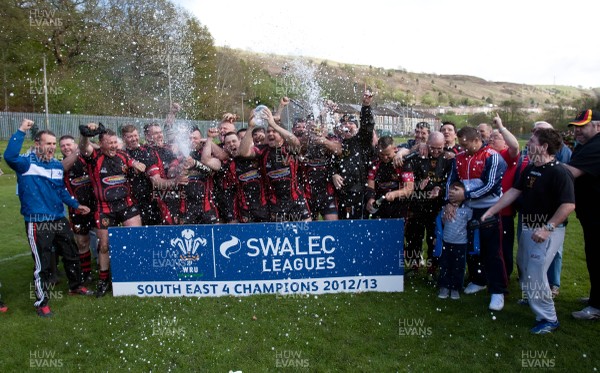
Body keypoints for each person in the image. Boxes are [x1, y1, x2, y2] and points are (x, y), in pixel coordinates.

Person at [482, 128, 575, 334]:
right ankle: (533, 298)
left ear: (543, 147)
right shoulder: (531, 168)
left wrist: (547, 228)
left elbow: (568, 205)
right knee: (524, 265)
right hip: (529, 226)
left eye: (532, 141)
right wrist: (492, 210)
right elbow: (515, 191)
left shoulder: (559, 172)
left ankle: (548, 318)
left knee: (535, 272)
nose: (527, 144)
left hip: (547, 230)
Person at [4, 119, 94, 317]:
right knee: (42, 263)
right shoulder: (26, 163)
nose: (52, 147)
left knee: (71, 253)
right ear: (38, 144)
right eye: (48, 143)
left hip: (58, 218)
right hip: (37, 220)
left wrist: (76, 205)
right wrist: (20, 131)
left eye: (54, 144)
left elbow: (60, 191)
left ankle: (75, 286)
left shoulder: (56, 165)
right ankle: (41, 302)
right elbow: (9, 156)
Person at [445, 126, 508, 311]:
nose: (464, 148)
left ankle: (498, 290)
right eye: (461, 145)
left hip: (489, 208)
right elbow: (452, 180)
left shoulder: (492, 156)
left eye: (466, 145)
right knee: (471, 247)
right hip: (467, 208)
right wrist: (450, 200)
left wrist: (466, 195)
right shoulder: (459, 158)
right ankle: (478, 279)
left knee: (492, 250)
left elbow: (490, 185)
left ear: (476, 140)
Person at [79, 124, 145, 297]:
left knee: (135, 239)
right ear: (101, 144)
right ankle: (103, 280)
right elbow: (83, 148)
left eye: (116, 142)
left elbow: (138, 165)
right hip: (104, 208)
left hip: (127, 205)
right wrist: (85, 136)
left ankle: (136, 273)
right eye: (110, 143)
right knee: (104, 246)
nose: (114, 146)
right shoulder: (94, 157)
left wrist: (138, 166)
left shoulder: (123, 155)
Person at [239, 104, 310, 222]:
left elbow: (296, 142)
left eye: (274, 132)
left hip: (296, 201)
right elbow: (243, 152)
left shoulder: (289, 148)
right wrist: (250, 128)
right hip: (276, 204)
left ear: (281, 135)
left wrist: (273, 124)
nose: (270, 134)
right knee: (281, 237)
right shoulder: (263, 150)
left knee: (304, 234)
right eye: (268, 132)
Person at [561, 109, 600, 320]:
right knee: (593, 256)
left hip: (597, 215)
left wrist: (545, 166)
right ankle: (596, 297)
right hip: (591, 213)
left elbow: (570, 172)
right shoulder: (587, 146)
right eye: (575, 127)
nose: (577, 132)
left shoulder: (596, 146)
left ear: (598, 126)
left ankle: (597, 307)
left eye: (583, 127)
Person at [404, 131, 451, 278]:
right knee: (413, 237)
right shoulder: (418, 155)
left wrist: (440, 188)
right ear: (427, 143)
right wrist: (418, 185)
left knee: (434, 237)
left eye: (439, 148)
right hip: (417, 204)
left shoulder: (449, 158)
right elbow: (405, 169)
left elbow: (451, 180)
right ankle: (414, 265)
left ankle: (433, 267)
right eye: (433, 148)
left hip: (436, 206)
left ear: (444, 145)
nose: (436, 151)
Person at [331, 91, 376, 219]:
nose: (347, 126)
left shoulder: (362, 141)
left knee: (359, 227)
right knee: (343, 227)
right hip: (343, 195)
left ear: (356, 127)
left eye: (350, 123)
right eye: (344, 124)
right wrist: (333, 174)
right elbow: (330, 164)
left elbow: (367, 126)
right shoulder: (337, 144)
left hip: (360, 193)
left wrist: (366, 106)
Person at [60, 135, 96, 283]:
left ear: (75, 145)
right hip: (77, 209)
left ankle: (105, 270)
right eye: (62, 146)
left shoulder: (85, 158)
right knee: (82, 242)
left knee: (103, 240)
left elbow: (96, 147)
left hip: (96, 206)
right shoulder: (60, 164)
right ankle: (86, 273)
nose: (66, 148)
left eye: (69, 144)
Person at [487, 114, 520, 279]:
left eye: (496, 137)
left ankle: (504, 276)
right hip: (485, 210)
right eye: (490, 137)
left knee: (504, 246)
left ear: (505, 142)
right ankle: (488, 276)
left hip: (503, 212)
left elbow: (515, 146)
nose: (491, 139)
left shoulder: (507, 156)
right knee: (488, 246)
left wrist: (501, 127)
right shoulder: (486, 156)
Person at [121, 124, 161, 226]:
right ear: (123, 138)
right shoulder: (120, 154)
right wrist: (133, 164)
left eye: (135, 135)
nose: (134, 139)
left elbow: (147, 169)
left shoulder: (146, 151)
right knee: (135, 235)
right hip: (129, 202)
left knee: (152, 232)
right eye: (130, 137)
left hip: (149, 200)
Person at [438, 181, 472, 300]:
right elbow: (441, 223)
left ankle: (455, 288)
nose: (453, 196)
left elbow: (469, 225)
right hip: (446, 242)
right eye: (450, 194)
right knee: (445, 265)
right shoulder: (445, 209)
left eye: (456, 193)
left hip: (460, 244)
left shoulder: (467, 210)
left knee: (458, 267)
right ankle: (444, 286)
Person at [366, 136, 414, 219]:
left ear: (395, 149)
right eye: (382, 154)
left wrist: (395, 194)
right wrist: (370, 198)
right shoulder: (375, 162)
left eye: (388, 154)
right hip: (380, 203)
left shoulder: (401, 162)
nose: (385, 157)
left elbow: (409, 189)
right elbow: (370, 185)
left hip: (399, 204)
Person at [180, 127, 221, 224]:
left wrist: (195, 164)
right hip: (186, 209)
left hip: (207, 208)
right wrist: (179, 168)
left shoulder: (207, 154)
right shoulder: (181, 155)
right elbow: (170, 172)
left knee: (215, 237)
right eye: (189, 138)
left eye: (195, 138)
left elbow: (212, 171)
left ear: (201, 139)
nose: (192, 141)